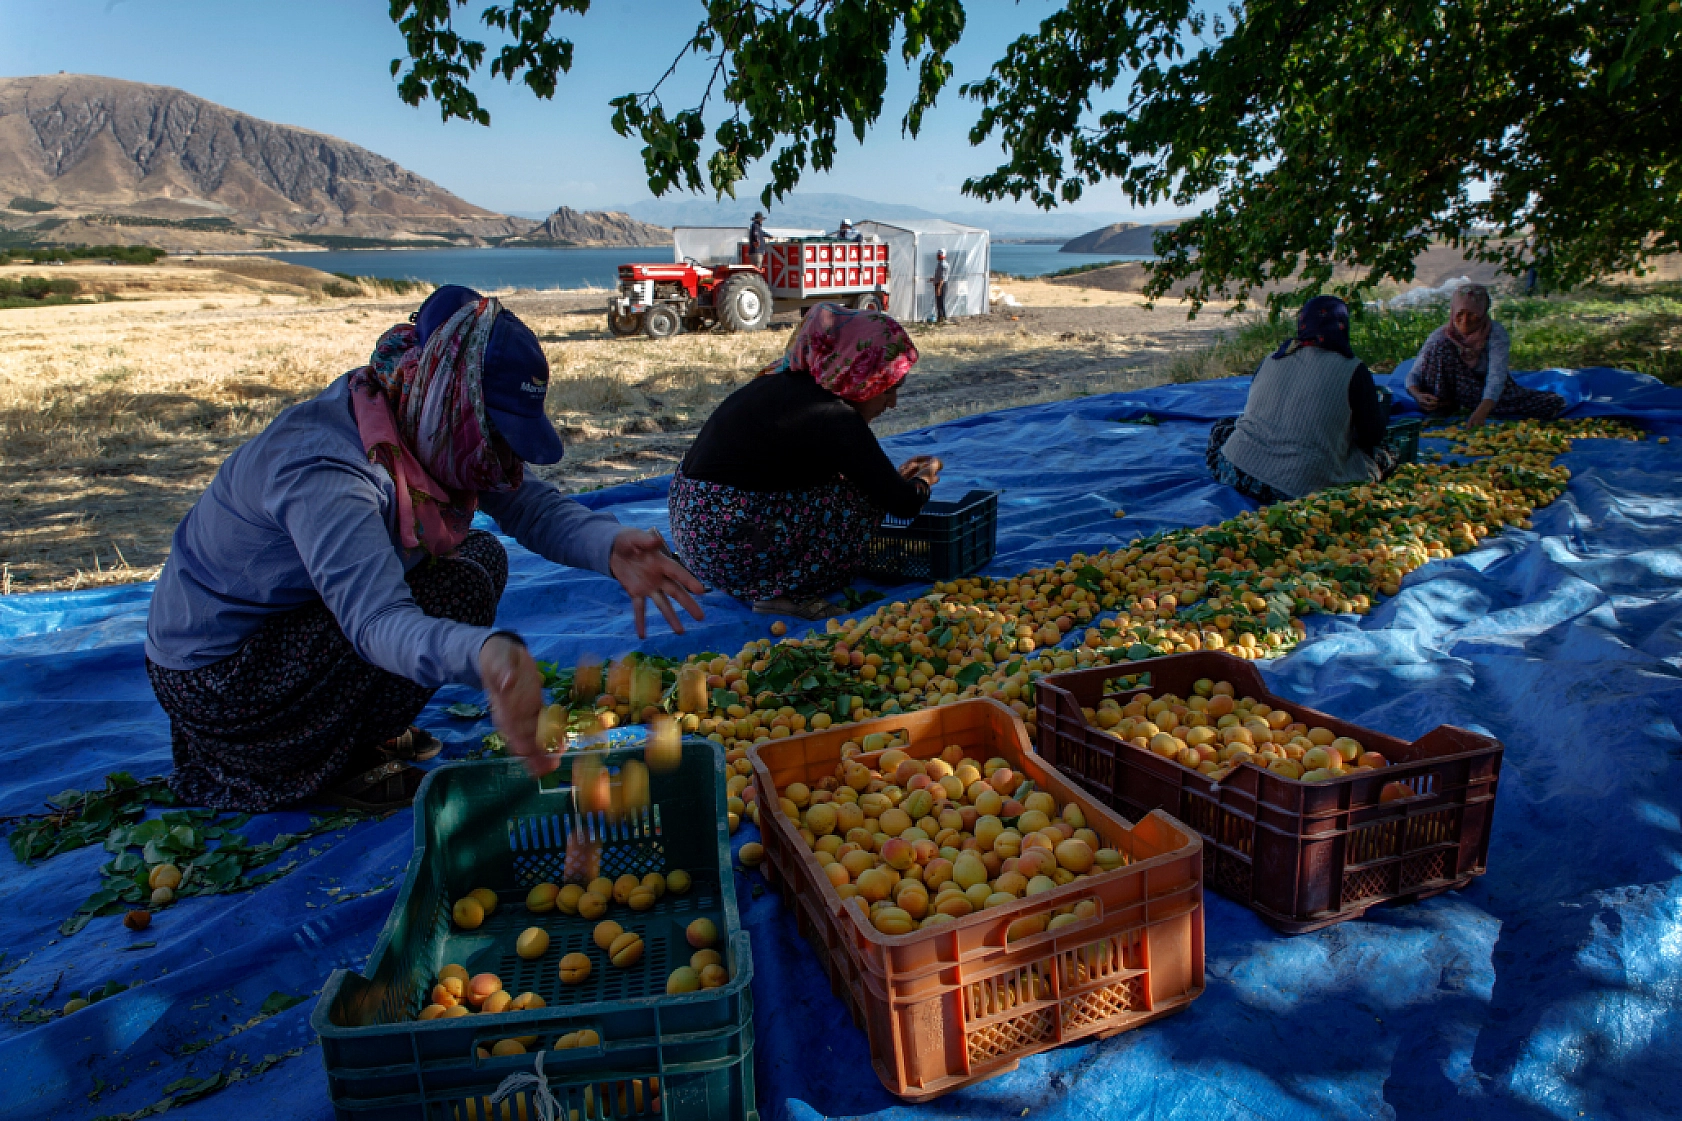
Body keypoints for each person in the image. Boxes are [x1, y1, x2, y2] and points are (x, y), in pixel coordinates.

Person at [144, 286, 703, 812]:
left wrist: (610, 547)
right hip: (223, 680)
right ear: (452, 403)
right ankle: (312, 761)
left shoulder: (417, 411)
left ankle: (349, 730)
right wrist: (485, 656)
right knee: (452, 594)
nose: (502, 459)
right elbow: (377, 620)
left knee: (477, 560)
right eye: (497, 439)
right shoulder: (331, 473)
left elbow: (527, 504)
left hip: (292, 625)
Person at [668, 302, 939, 620]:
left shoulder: (778, 380)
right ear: (863, 376)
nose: (892, 403)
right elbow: (903, 504)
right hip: (732, 551)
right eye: (888, 388)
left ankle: (761, 579)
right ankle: (784, 592)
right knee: (861, 499)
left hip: (696, 538)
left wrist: (887, 477)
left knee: (849, 484)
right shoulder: (833, 416)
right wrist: (924, 478)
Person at [1206, 295, 1404, 504]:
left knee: (1224, 427)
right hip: (1300, 489)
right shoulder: (1353, 369)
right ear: (1342, 326)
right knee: (1387, 454)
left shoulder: (1273, 358)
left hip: (1236, 469)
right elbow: (1371, 436)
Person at [1406, 284, 1564, 425]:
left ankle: (1476, 406)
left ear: (1483, 313)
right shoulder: (1441, 335)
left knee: (1551, 403)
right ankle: (1441, 408)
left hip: (1481, 391)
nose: (1465, 320)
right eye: (1460, 313)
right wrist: (1418, 395)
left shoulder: (1495, 334)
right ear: (1453, 312)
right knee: (1439, 348)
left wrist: (1483, 411)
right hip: (1449, 394)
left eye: (1472, 314)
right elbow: (1415, 373)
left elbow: (1496, 375)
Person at [932, 249, 949, 322]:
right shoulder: (940, 264)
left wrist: (939, 288)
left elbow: (942, 278)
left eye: (939, 255)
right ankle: (940, 316)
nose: (937, 256)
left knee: (941, 301)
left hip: (941, 284)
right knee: (938, 301)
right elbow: (939, 276)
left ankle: (943, 317)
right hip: (939, 283)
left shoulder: (943, 265)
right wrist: (934, 279)